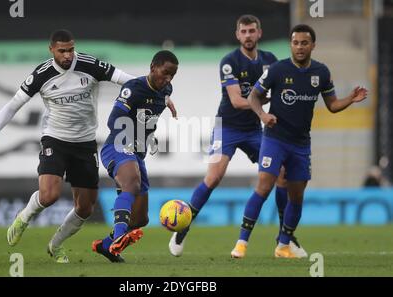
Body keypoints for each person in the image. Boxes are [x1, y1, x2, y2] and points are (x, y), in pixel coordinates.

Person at [0, 29, 177, 264]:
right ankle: (24, 217)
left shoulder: (89, 65)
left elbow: (127, 79)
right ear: (51, 50)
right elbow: (13, 105)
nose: (68, 55)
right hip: (55, 139)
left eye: (71, 50)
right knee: (49, 195)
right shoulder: (42, 74)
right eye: (62, 51)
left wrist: (161, 95)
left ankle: (56, 245)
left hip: (85, 143)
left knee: (85, 208)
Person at [168, 15, 307, 259]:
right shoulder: (229, 61)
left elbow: (282, 93)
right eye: (243, 32)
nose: (248, 36)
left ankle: (285, 238)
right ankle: (184, 226)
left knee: (283, 174)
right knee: (214, 176)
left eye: (252, 31)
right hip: (228, 127)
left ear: (259, 33)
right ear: (237, 35)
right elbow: (235, 100)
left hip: (254, 130)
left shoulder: (270, 62)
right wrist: (262, 107)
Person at [232, 24, 368, 258]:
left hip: (301, 144)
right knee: (264, 186)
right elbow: (254, 96)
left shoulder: (321, 73)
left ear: (313, 45)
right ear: (291, 45)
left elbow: (332, 105)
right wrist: (263, 115)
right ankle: (242, 242)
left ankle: (284, 244)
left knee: (297, 196)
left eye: (304, 43)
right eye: (296, 43)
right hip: (275, 139)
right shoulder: (277, 69)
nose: (300, 47)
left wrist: (351, 99)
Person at [91, 50, 178, 262]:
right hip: (118, 146)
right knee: (132, 183)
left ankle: (105, 245)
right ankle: (119, 236)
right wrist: (131, 136)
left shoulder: (166, 88)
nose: (167, 78)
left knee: (140, 218)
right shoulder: (133, 89)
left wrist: (168, 102)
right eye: (165, 73)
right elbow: (113, 120)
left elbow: (161, 97)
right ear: (152, 67)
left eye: (172, 75)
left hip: (138, 154)